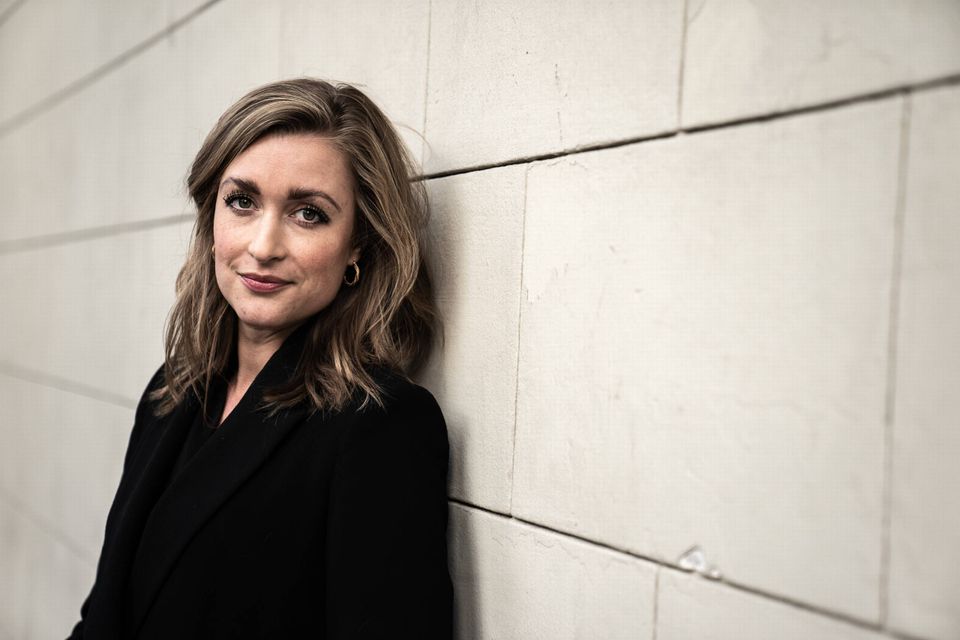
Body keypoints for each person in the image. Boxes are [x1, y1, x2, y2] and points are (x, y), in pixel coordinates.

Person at [67, 78, 452, 639]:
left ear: (358, 244)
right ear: (212, 218)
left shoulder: (380, 424)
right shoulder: (172, 390)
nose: (264, 246)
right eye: (242, 202)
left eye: (309, 213)